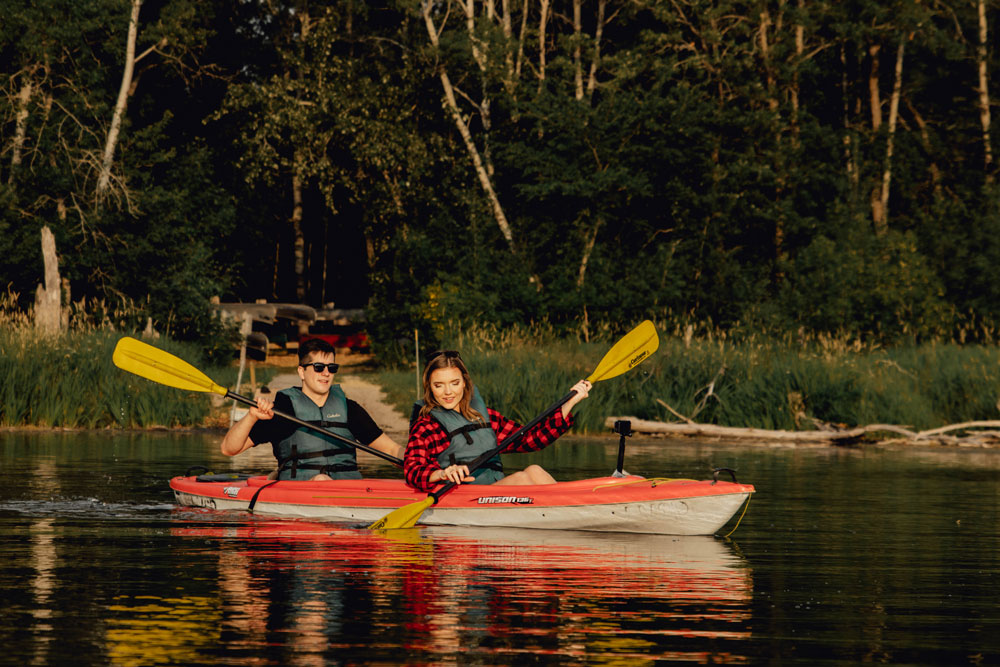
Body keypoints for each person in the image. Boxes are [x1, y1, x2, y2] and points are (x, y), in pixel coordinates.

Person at [404, 350, 591, 492]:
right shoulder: (427, 427)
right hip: (460, 494)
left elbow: (531, 439)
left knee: (534, 470)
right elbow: (412, 468)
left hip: (493, 492)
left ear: (464, 382)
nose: (448, 392)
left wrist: (570, 402)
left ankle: (573, 504)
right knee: (521, 479)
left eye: (454, 383)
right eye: (439, 385)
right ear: (429, 386)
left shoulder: (485, 417)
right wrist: (442, 473)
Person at [221, 338, 404, 480]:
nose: (326, 373)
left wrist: (423, 466)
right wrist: (252, 416)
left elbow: (391, 450)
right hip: (301, 492)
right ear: (302, 372)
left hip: (348, 489)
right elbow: (229, 449)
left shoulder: (350, 409)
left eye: (332, 368)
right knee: (321, 480)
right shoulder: (283, 411)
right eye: (318, 367)